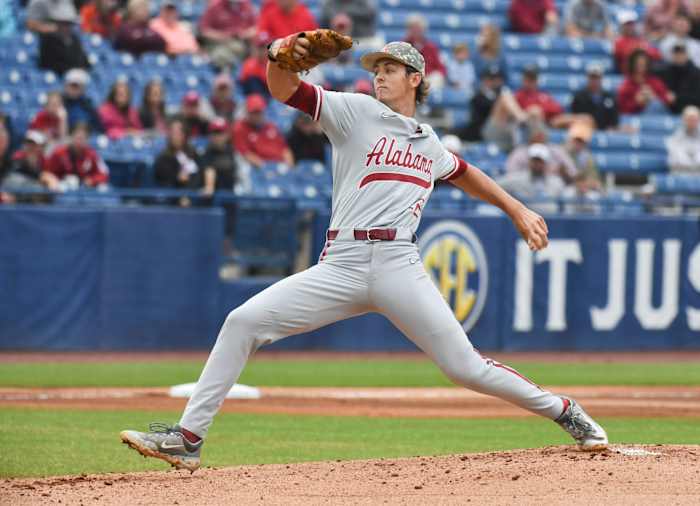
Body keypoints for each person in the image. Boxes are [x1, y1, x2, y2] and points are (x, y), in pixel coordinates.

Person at [120, 38, 608, 472]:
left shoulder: (429, 141)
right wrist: (276, 55)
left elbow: (465, 173)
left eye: (390, 69)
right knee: (242, 321)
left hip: (399, 263)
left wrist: (516, 208)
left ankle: (563, 410)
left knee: (465, 367)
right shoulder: (353, 110)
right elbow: (285, 89)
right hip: (344, 262)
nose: (378, 74)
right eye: (376, 68)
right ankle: (187, 439)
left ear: (415, 79)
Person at [514, 65, 592, 130]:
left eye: (533, 78)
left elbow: (557, 109)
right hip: (533, 125)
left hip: (552, 121)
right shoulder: (519, 95)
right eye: (528, 78)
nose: (530, 81)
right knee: (535, 111)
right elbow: (522, 114)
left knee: (586, 118)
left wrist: (544, 110)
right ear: (523, 79)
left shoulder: (543, 94)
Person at [233, 94, 294, 168]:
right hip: (258, 169)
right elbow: (244, 153)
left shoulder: (271, 126)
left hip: (279, 167)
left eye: (259, 112)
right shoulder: (240, 128)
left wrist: (289, 166)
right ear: (247, 112)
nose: (257, 116)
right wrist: (265, 167)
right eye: (254, 112)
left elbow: (285, 149)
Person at [454, 65, 511, 143]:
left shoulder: (500, 94)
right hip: (482, 131)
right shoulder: (478, 96)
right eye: (491, 79)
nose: (494, 82)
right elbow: (484, 108)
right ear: (484, 80)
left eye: (497, 79)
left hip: (497, 129)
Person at [154, 118, 210, 194]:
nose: (176, 137)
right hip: (172, 195)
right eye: (174, 133)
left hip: (193, 194)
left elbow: (199, 173)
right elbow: (162, 177)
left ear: (185, 135)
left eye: (180, 133)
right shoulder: (163, 157)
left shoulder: (192, 153)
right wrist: (177, 177)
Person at [498, 143, 567, 205]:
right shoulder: (516, 179)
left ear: (546, 163)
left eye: (540, 161)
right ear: (529, 161)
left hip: (553, 218)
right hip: (525, 217)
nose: (537, 164)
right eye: (534, 160)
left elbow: (565, 203)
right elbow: (496, 186)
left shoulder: (556, 182)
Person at [45, 122, 109, 189]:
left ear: (87, 140)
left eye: (82, 138)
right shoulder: (59, 153)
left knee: (103, 188)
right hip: (62, 187)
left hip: (84, 188)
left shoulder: (91, 154)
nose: (79, 141)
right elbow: (48, 173)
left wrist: (92, 180)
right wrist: (57, 181)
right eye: (77, 138)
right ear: (71, 137)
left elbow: (103, 174)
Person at [505, 128, 578, 183]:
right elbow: (510, 175)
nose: (537, 164)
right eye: (535, 161)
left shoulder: (556, 150)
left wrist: (563, 173)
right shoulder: (519, 152)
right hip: (524, 188)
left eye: (540, 161)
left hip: (552, 187)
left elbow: (573, 173)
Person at [199, 0, 257, 70]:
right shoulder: (215, 6)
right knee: (222, 55)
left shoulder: (246, 5)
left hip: (243, 41)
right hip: (220, 44)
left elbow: (257, 27)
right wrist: (222, 36)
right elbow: (204, 31)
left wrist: (245, 34)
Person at [37, 6, 91, 75]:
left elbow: (83, 59)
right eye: (64, 24)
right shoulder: (48, 40)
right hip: (58, 75)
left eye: (69, 24)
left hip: (76, 74)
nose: (67, 27)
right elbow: (47, 63)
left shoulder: (74, 39)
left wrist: (84, 68)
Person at [618, 49, 675, 114]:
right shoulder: (626, 85)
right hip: (635, 118)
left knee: (655, 105)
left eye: (643, 62)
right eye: (638, 62)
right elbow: (621, 108)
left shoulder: (655, 82)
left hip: (657, 117)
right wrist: (637, 102)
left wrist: (654, 97)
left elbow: (667, 99)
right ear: (632, 64)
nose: (641, 64)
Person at [570, 62, 619, 130]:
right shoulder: (579, 97)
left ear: (601, 79)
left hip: (605, 132)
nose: (594, 81)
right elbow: (575, 117)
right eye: (592, 78)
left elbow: (614, 120)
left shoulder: (609, 97)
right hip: (584, 130)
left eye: (597, 78)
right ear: (588, 78)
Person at [403, 14, 446, 89]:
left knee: (437, 78)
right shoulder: (403, 46)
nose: (416, 31)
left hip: (427, 79)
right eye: (413, 28)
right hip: (409, 78)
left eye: (418, 28)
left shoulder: (431, 47)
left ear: (423, 29)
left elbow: (441, 68)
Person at [659, 42, 700, 113]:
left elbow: (697, 97)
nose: (679, 56)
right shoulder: (667, 71)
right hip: (670, 108)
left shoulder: (696, 73)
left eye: (681, 53)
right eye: (676, 54)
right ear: (672, 55)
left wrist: (677, 98)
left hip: (692, 109)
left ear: (686, 55)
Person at [201, 117, 238, 192]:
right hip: (214, 198)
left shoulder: (232, 152)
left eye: (220, 133)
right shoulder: (207, 153)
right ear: (210, 135)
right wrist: (209, 186)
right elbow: (209, 171)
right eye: (215, 133)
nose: (218, 137)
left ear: (227, 135)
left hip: (231, 195)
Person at [564, 122, 601, 193]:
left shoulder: (588, 158)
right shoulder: (563, 154)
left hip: (585, 189)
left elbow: (593, 180)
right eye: (576, 140)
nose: (578, 143)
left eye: (581, 141)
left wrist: (584, 185)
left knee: (593, 195)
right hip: (568, 187)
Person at [61, 68, 102, 133]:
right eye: (72, 85)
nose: (73, 89)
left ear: (83, 88)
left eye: (76, 86)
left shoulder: (88, 106)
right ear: (65, 86)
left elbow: (98, 128)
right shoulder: (58, 103)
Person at [666, 105, 700, 172]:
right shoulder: (674, 138)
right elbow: (673, 162)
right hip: (681, 174)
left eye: (694, 119)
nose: (692, 122)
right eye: (689, 119)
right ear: (683, 119)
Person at [239, 32, 271, 98]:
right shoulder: (248, 64)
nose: (264, 50)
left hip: (272, 98)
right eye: (261, 47)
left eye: (266, 47)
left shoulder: (276, 63)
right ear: (255, 49)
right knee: (253, 80)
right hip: (254, 98)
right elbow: (242, 86)